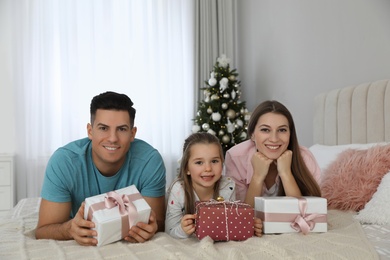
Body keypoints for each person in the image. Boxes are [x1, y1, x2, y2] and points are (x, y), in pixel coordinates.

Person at [35, 91, 166, 246]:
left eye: (122, 129)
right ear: (90, 131)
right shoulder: (64, 162)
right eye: (103, 128)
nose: (112, 138)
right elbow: (43, 230)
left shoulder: (150, 161)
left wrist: (151, 228)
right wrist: (69, 229)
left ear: (132, 133)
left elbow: (158, 222)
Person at [165, 132, 262, 239]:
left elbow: (230, 224)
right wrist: (183, 230)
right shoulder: (178, 190)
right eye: (199, 162)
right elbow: (169, 231)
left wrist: (248, 225)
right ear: (187, 168)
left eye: (214, 161)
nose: (208, 168)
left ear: (222, 163)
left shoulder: (227, 187)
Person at [225, 100, 321, 207]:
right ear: (252, 134)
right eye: (265, 130)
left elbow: (305, 214)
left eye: (282, 130)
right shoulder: (236, 157)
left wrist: (286, 174)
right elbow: (242, 216)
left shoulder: (304, 157)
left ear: (290, 133)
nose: (274, 139)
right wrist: (257, 177)